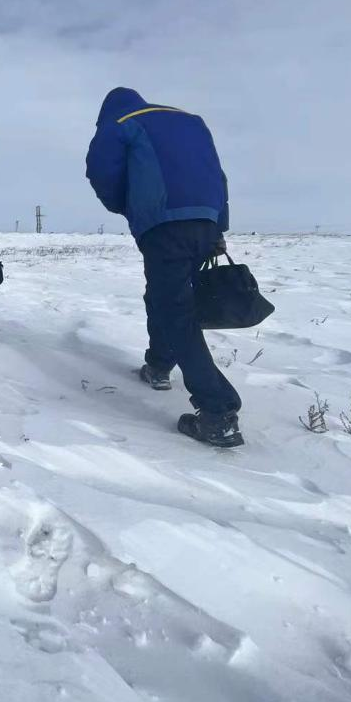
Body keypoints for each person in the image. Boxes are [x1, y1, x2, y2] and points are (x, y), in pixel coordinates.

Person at [85, 87, 243, 447]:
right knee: (165, 298)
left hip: (164, 226)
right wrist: (219, 226)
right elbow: (218, 176)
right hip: (205, 220)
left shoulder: (119, 122)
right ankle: (158, 365)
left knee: (175, 311)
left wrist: (128, 205)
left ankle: (218, 412)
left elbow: (101, 172)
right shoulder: (191, 122)